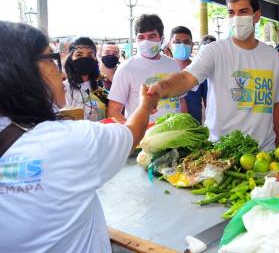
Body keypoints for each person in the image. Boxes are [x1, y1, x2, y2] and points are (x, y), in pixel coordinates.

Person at [0, 21, 159, 253]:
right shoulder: (67, 141)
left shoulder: (99, 91)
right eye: (51, 60)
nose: (60, 69)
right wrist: (145, 106)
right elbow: (131, 134)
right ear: (25, 70)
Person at [147, 0, 279, 150]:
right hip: (221, 151)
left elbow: (277, 104)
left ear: (256, 16)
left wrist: (278, 144)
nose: (236, 18)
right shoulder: (213, 51)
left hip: (263, 151)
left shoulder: (271, 56)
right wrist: (161, 88)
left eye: (243, 12)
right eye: (231, 12)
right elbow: (186, 78)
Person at [108, 14, 187, 122]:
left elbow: (181, 100)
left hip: (173, 134)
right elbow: (113, 112)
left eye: (151, 36)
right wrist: (133, 133)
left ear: (161, 39)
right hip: (144, 137)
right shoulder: (126, 68)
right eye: (141, 37)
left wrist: (185, 125)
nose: (146, 42)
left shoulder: (173, 64)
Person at [64, 37, 108, 121]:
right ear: (70, 59)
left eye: (90, 55)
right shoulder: (63, 89)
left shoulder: (101, 88)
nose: (85, 58)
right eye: (79, 55)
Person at [170, 26, 208, 123]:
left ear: (192, 45)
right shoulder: (164, 70)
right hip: (168, 128)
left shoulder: (200, 71)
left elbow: (208, 102)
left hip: (195, 128)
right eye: (177, 42)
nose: (182, 45)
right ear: (170, 44)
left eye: (186, 42)